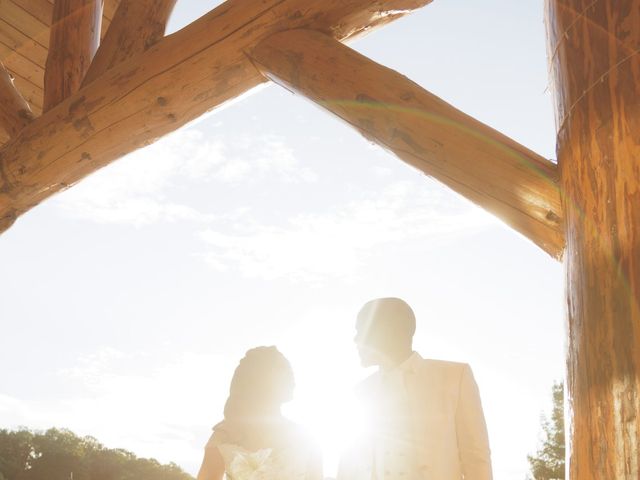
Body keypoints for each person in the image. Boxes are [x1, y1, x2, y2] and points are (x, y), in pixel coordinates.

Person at [338, 297, 492, 480]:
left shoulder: (454, 377)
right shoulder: (361, 392)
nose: (355, 339)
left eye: (361, 330)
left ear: (388, 330)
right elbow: (348, 465)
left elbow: (476, 457)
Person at [197, 346, 322, 480]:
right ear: (263, 379)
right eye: (287, 373)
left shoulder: (306, 438)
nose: (293, 381)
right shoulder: (226, 435)